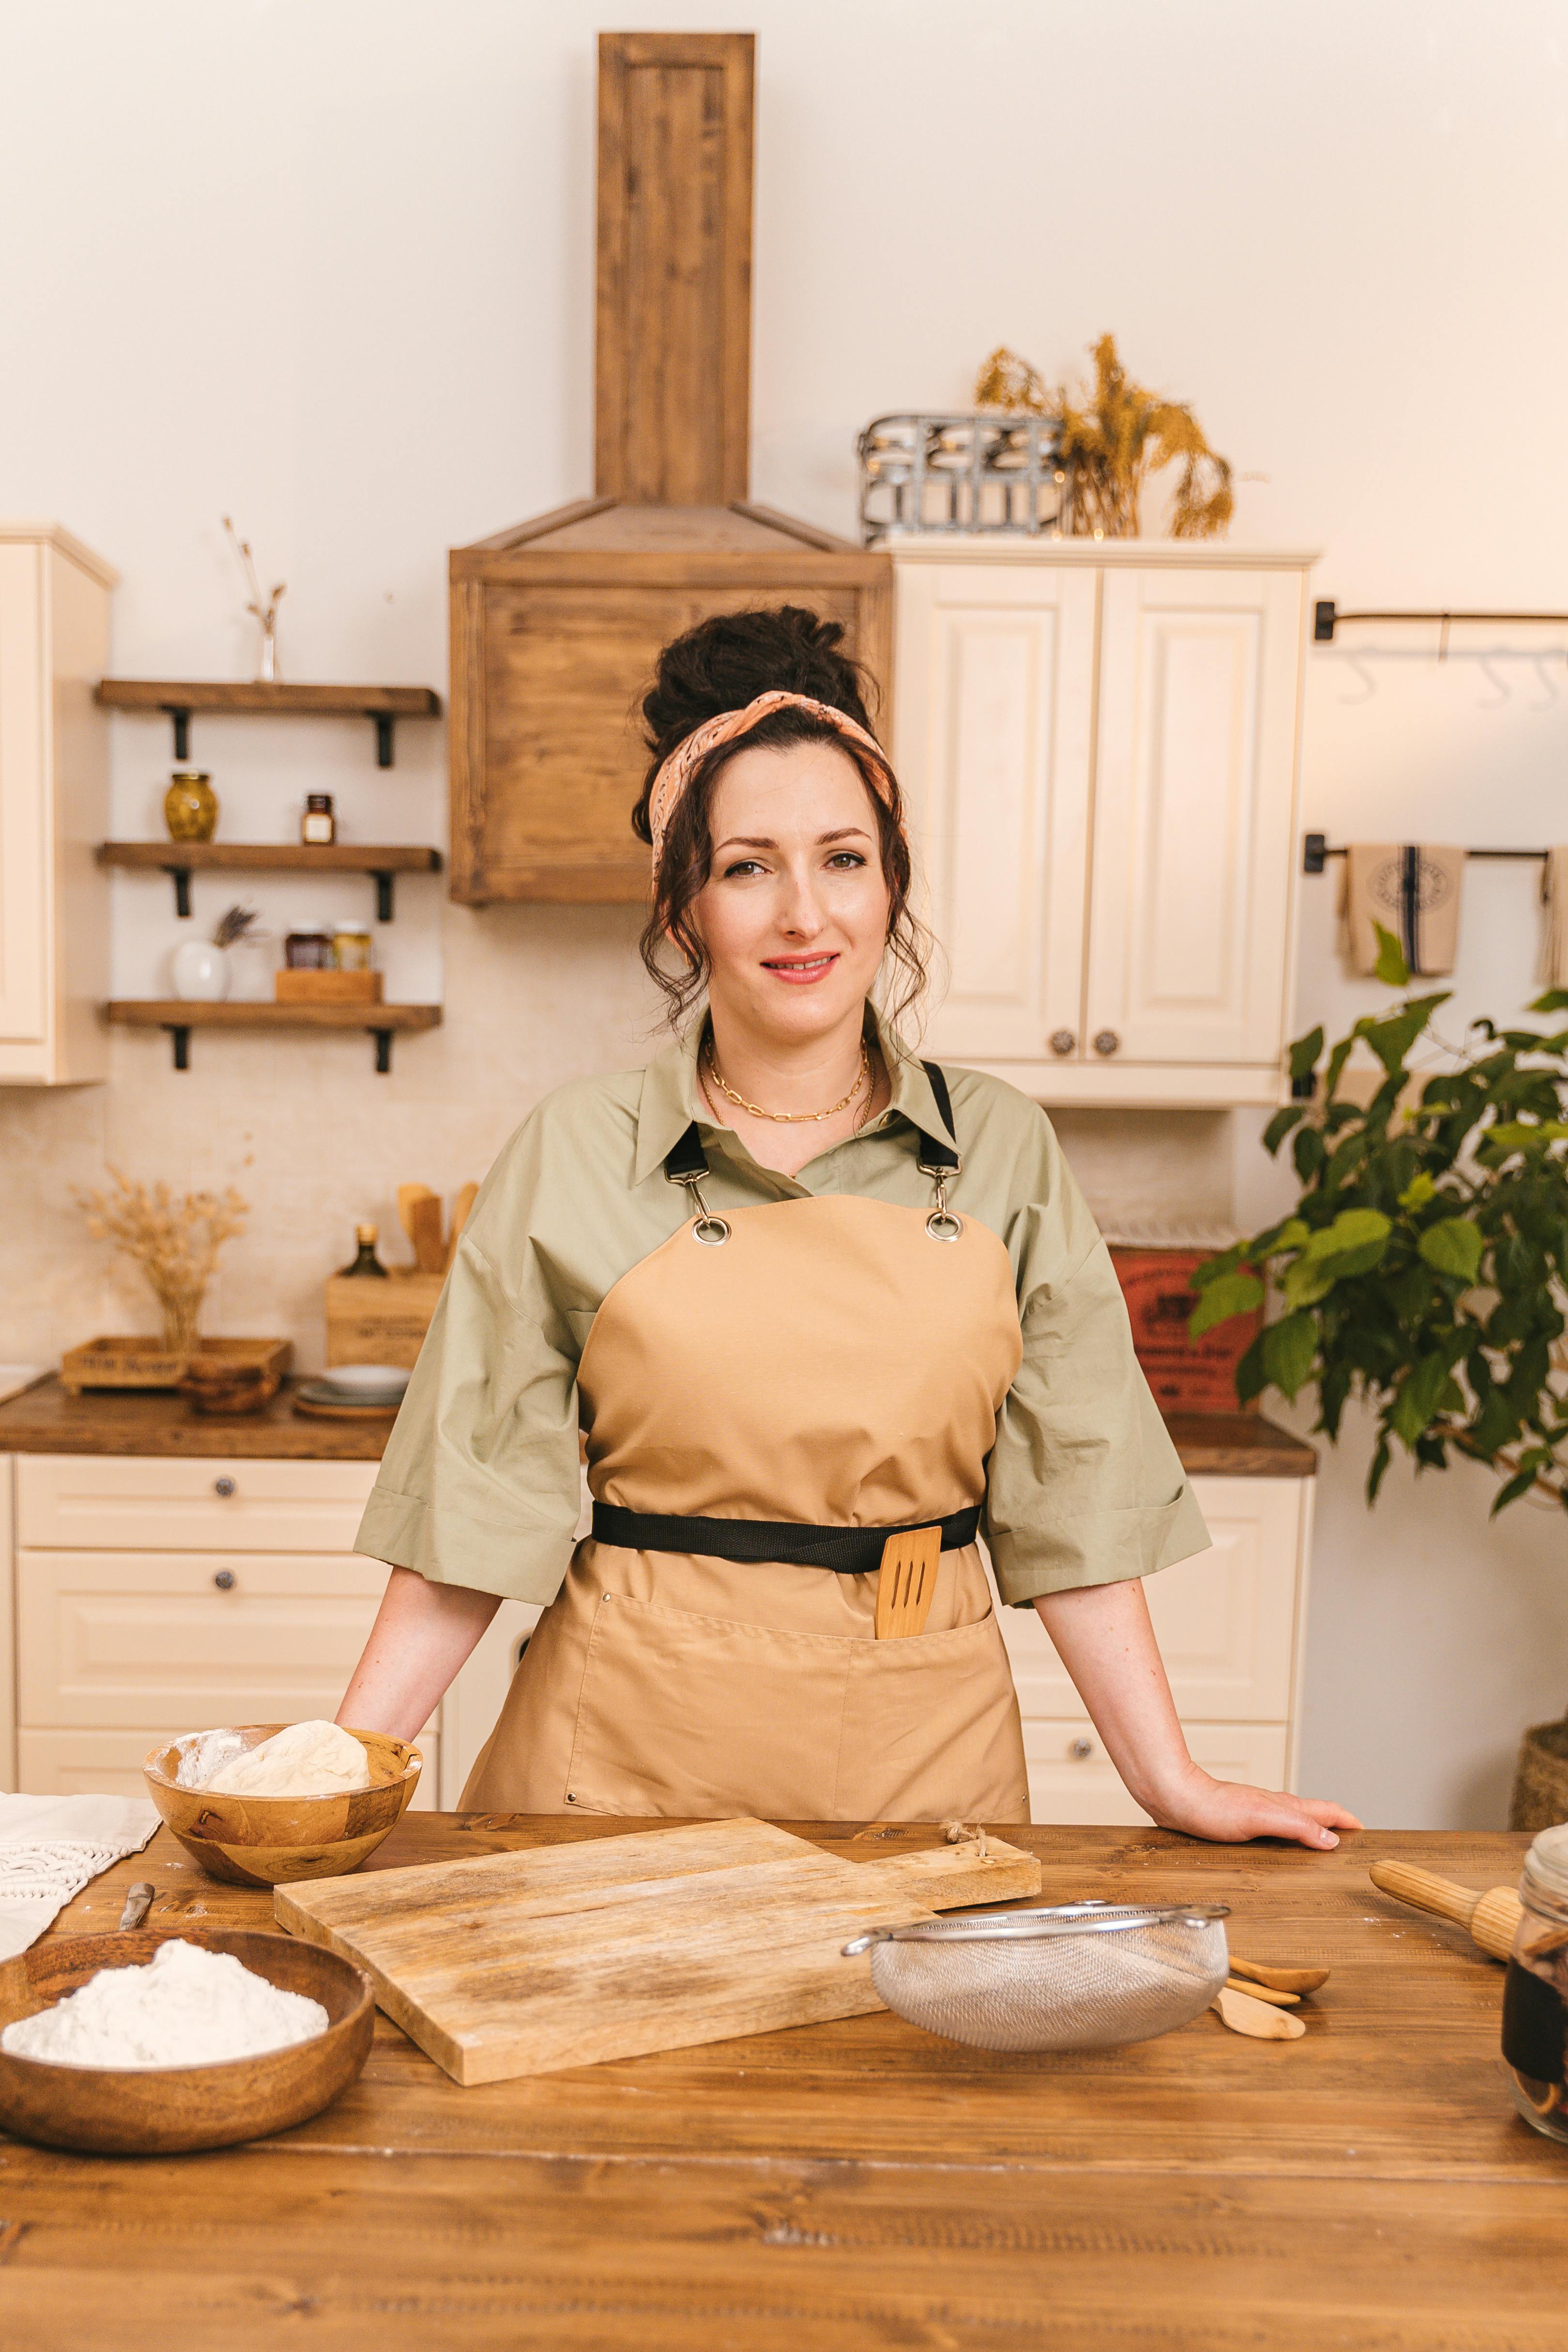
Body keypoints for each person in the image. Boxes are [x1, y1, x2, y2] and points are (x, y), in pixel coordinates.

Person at [338, 606, 1358, 1847]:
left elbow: (1076, 1495)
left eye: (843, 858)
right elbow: (470, 1514)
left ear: (892, 885)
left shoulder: (1003, 1150)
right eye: (747, 866)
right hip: (611, 1766)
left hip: (924, 1763)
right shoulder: (574, 1150)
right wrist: (335, 1778)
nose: (803, 915)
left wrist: (1170, 1780)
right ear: (684, 911)